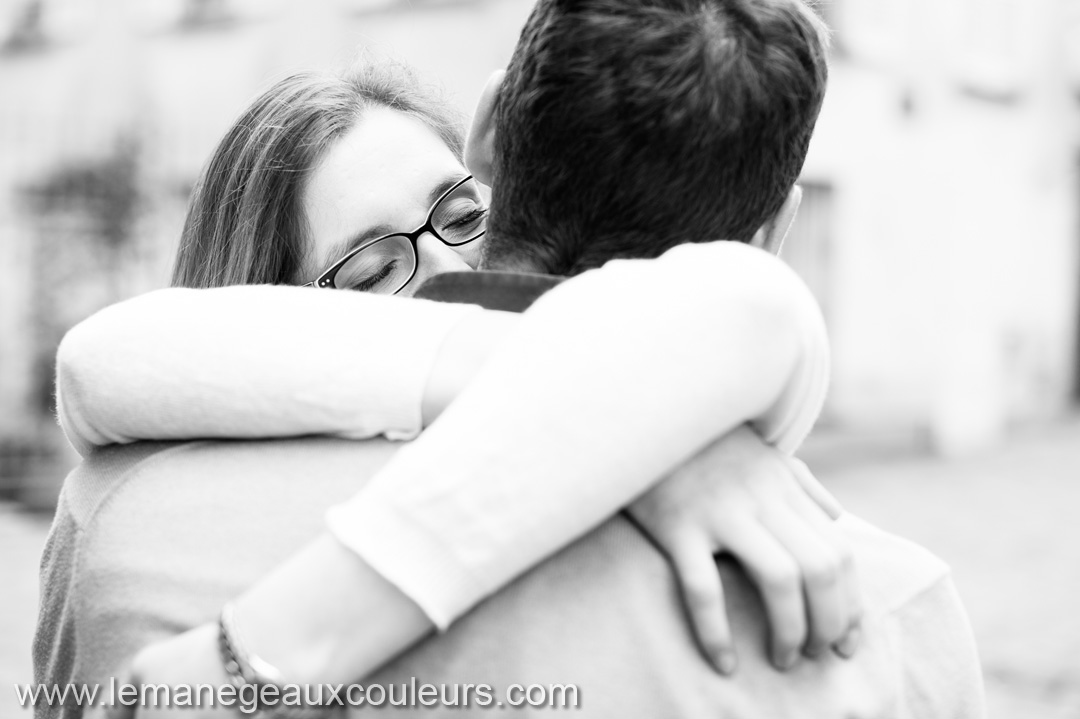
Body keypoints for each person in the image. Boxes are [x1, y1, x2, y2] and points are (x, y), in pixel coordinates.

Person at [35, 2, 985, 718]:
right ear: (776, 228)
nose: (447, 265)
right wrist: (649, 418)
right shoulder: (880, 604)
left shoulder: (129, 520)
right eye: (368, 266)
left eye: (458, 213)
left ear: (490, 138)